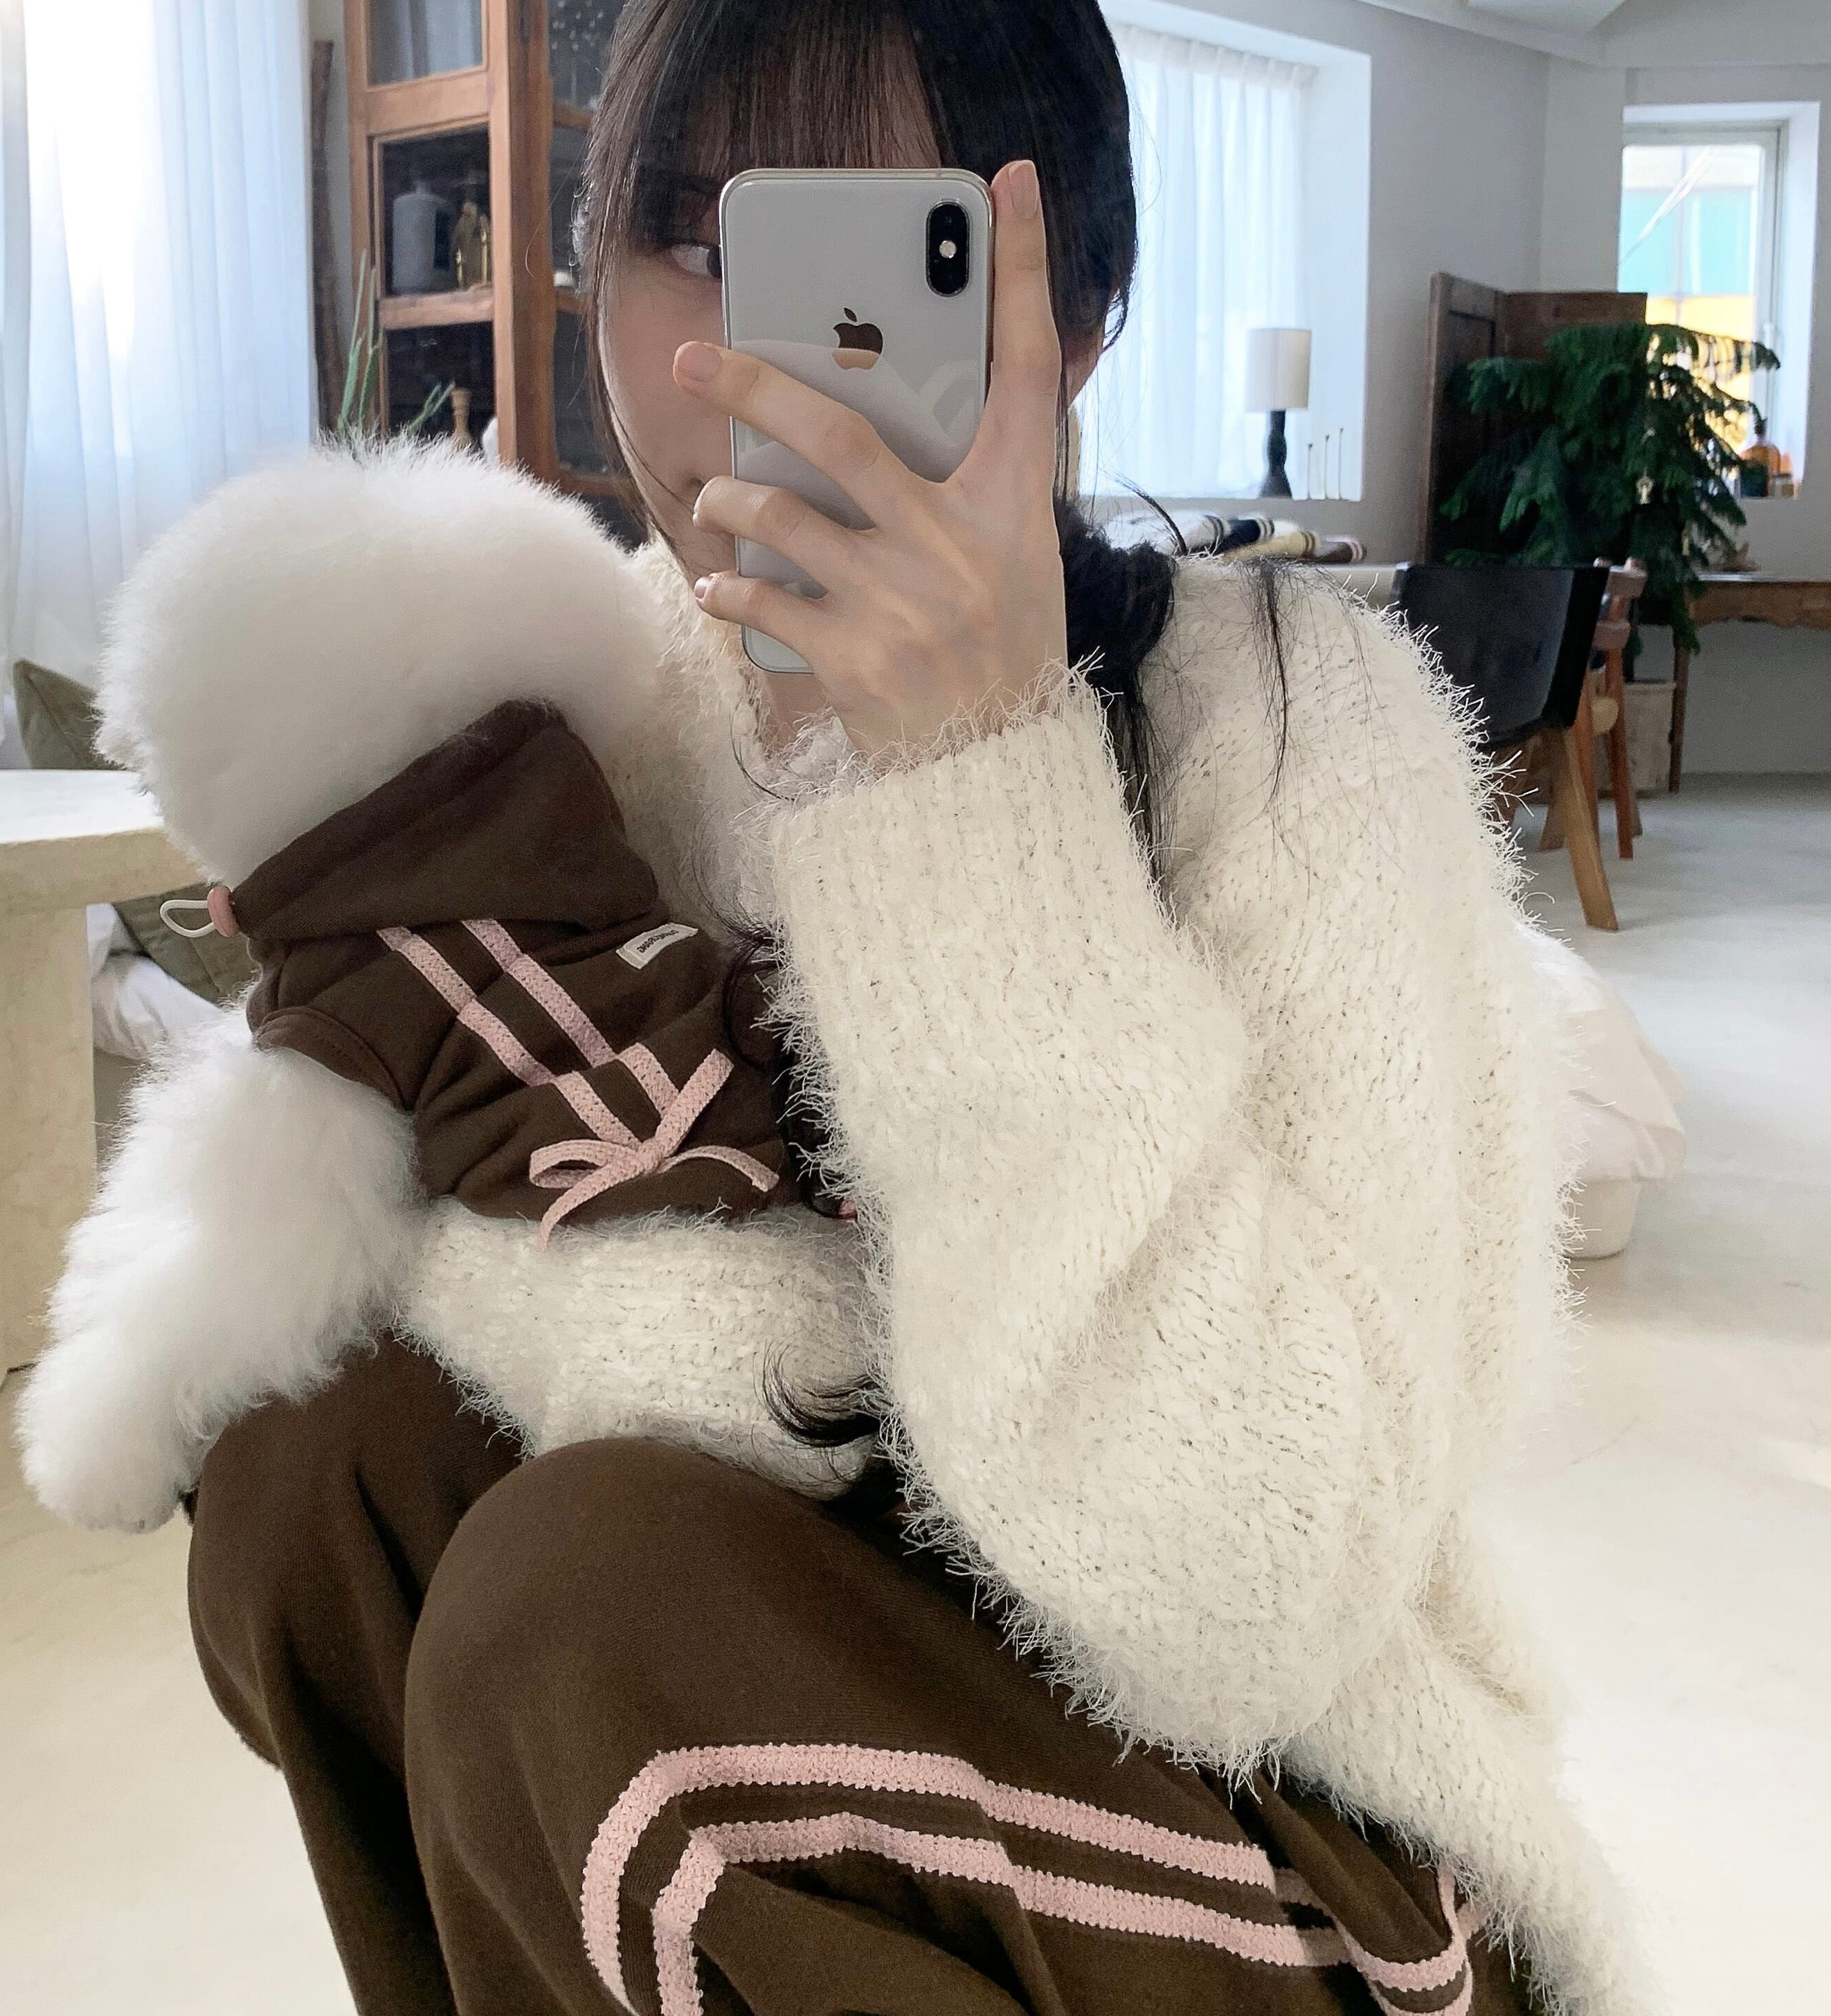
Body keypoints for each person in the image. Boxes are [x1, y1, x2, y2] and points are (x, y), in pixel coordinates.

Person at [171, 1, 1638, 2011]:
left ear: (1076, 323)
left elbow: (1252, 1606)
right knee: (321, 1462)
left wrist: (971, 781)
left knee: (580, 1612)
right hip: (828, 1678)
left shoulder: (1304, 736)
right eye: (700, 237)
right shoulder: (591, 705)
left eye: (886, 253)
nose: (763, 354)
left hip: (1304, 1822)